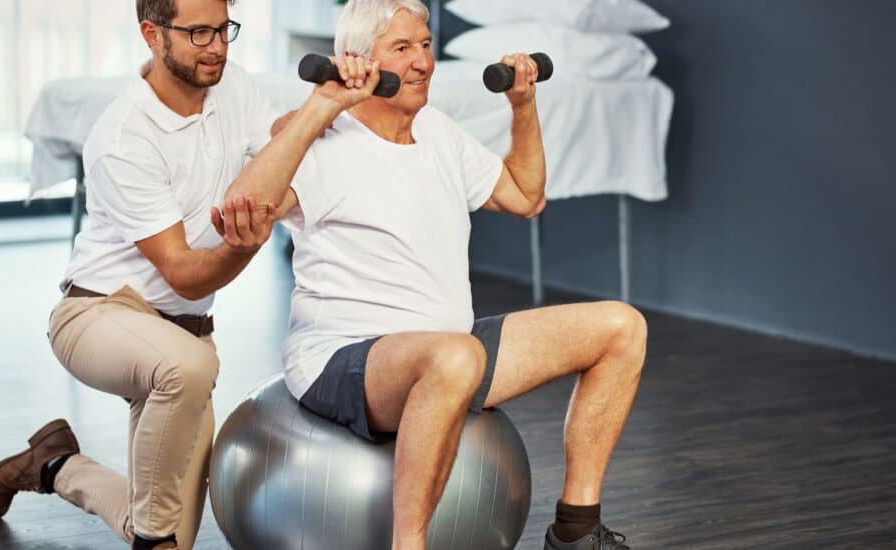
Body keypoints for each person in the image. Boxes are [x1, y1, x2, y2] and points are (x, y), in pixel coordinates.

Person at [228, 1, 648, 548]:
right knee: (456, 357)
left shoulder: (437, 131)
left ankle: (576, 530)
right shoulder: (323, 143)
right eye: (401, 48)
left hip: (449, 345)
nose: (423, 61)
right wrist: (321, 105)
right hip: (345, 356)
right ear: (358, 61)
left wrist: (523, 106)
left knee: (621, 327)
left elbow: (526, 196)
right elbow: (246, 208)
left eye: (424, 44)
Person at [0, 0, 326, 548]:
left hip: (181, 336)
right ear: (152, 33)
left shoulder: (231, 85)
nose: (216, 46)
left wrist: (325, 108)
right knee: (189, 370)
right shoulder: (124, 136)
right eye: (198, 33)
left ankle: (53, 465)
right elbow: (186, 275)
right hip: (98, 313)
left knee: (164, 531)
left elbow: (276, 146)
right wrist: (249, 240)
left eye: (223, 29)